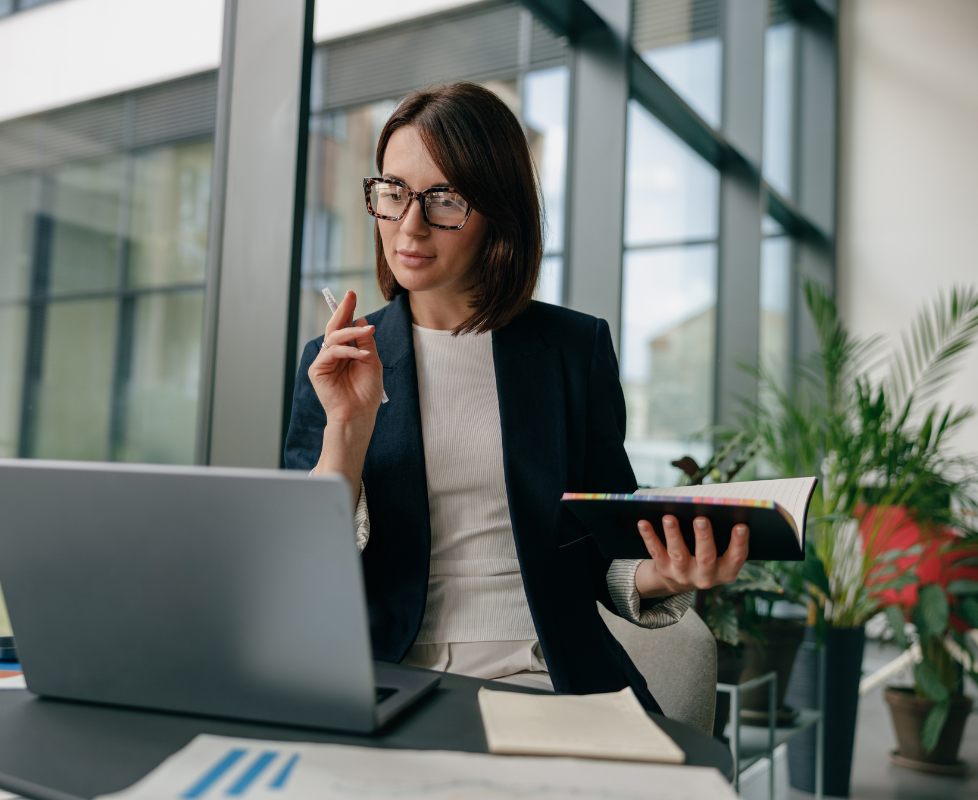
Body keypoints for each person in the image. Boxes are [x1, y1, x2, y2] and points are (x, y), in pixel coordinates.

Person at [284, 82, 748, 711]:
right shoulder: (336, 360)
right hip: (387, 681)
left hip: (547, 679)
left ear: (499, 213)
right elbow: (304, 575)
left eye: (443, 199)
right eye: (393, 193)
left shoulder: (572, 350)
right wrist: (348, 428)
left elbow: (603, 551)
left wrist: (665, 573)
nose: (410, 225)